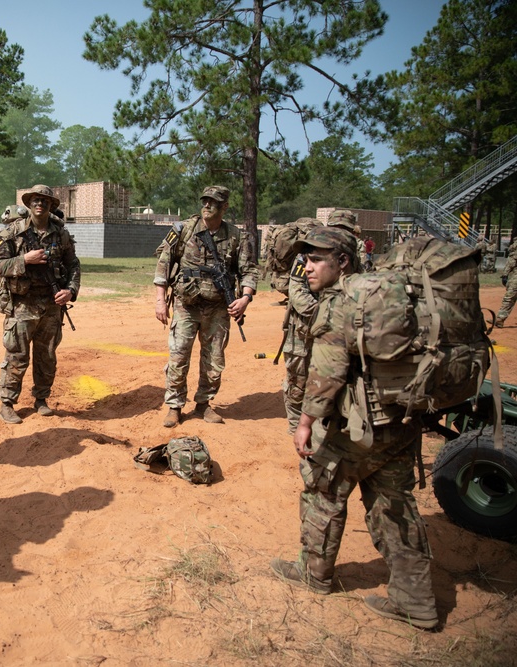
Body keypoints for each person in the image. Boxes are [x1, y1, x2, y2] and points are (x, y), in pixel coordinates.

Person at [270, 225, 438, 631]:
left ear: (342, 261)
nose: (306, 268)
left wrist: (306, 422)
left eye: (316, 260)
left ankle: (315, 574)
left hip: (355, 429)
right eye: (305, 259)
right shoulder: (397, 295)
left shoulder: (340, 303)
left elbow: (327, 372)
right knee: (394, 506)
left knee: (322, 492)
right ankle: (416, 603)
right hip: (401, 422)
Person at [154, 185, 258, 426]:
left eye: (213, 202)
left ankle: (203, 405)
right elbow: (164, 263)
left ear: (225, 206)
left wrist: (245, 298)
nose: (207, 205)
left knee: (214, 359)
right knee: (178, 356)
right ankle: (175, 406)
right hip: (186, 305)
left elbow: (249, 270)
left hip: (218, 307)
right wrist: (160, 300)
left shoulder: (235, 236)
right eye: (205, 201)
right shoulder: (184, 229)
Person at [0, 184, 81, 424]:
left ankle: (41, 399)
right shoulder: (12, 232)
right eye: (36, 200)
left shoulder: (61, 234)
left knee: (46, 355)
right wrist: (24, 260)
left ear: (51, 205)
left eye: (45, 201)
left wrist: (70, 291)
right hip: (22, 304)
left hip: (51, 305)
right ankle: (7, 403)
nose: (40, 204)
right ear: (29, 204)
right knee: (17, 355)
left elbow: (73, 265)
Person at [278, 218, 361, 434]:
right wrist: (327, 315)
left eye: (345, 232)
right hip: (304, 332)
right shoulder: (306, 259)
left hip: (342, 334)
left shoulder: (357, 262)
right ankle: (297, 431)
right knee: (298, 384)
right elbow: (296, 293)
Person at [495, 241, 517, 327]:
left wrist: (505, 275)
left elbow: (510, 264)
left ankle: (500, 319)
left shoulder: (514, 255)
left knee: (509, 298)